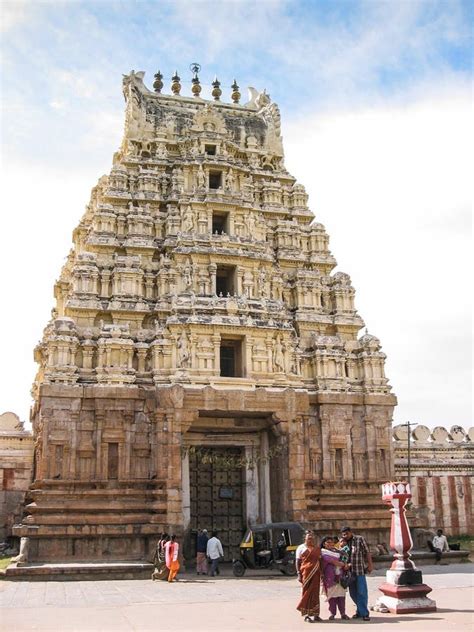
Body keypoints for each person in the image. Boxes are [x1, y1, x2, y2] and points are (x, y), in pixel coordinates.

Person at [340, 526, 373, 622]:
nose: (345, 536)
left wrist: (370, 565)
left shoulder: (359, 539)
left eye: (346, 534)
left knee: (362, 592)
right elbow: (339, 556)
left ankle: (364, 613)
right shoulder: (342, 543)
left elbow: (367, 552)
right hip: (348, 573)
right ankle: (360, 611)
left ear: (350, 532)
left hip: (359, 570)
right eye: (343, 535)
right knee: (353, 593)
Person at [320, 535, 349, 620]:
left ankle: (343, 613)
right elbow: (331, 560)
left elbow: (345, 558)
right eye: (328, 542)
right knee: (332, 597)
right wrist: (341, 564)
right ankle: (332, 613)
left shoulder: (338, 551)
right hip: (329, 578)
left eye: (332, 542)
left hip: (340, 576)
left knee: (341, 596)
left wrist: (345, 564)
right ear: (324, 544)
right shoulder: (323, 552)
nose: (330, 544)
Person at [295, 530, 322, 623]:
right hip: (306, 574)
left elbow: (320, 561)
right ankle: (306, 615)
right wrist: (298, 573)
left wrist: (322, 574)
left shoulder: (317, 548)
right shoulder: (300, 548)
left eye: (312, 538)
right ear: (305, 538)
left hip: (316, 574)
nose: (310, 539)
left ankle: (315, 614)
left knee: (315, 594)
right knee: (306, 593)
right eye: (309, 538)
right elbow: (297, 561)